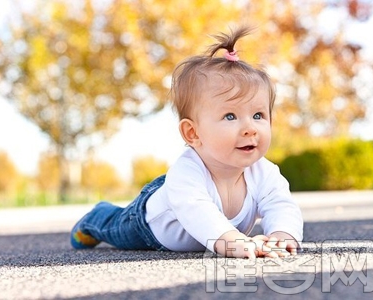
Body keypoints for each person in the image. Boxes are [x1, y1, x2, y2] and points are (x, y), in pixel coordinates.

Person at [71, 26, 303, 259]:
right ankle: (97, 217)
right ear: (193, 133)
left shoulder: (265, 172)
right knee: (114, 228)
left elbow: (281, 204)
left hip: (205, 232)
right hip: (150, 225)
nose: (250, 128)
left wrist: (283, 235)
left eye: (258, 115)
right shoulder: (187, 172)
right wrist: (233, 241)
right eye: (230, 116)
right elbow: (198, 212)